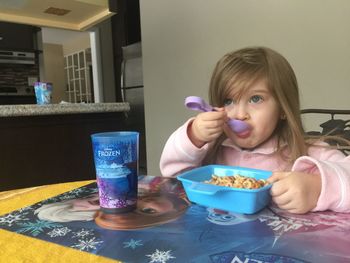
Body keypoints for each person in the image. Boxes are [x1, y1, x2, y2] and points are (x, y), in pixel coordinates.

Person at [160, 46, 350, 214]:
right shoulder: (211, 150)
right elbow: (173, 179)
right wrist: (194, 136)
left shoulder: (309, 152)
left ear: (283, 108)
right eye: (229, 101)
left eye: (255, 99)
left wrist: (317, 187)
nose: (240, 114)